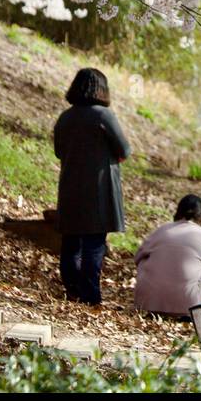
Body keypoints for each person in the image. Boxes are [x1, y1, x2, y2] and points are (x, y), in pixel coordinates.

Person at [54, 68, 130, 308]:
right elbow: (124, 150)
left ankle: (72, 290)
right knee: (94, 244)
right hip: (99, 189)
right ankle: (90, 295)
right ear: (101, 89)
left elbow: (58, 151)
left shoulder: (65, 118)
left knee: (71, 242)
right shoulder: (103, 116)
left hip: (70, 187)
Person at [133, 195, 201, 317]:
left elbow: (138, 257)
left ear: (176, 215)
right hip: (188, 305)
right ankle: (197, 310)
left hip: (147, 303)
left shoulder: (162, 230)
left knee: (145, 260)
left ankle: (152, 299)